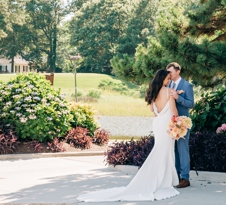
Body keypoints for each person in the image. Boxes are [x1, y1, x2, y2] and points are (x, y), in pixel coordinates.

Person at [77, 69, 180, 202]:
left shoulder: (153, 93)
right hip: (168, 124)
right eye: (167, 79)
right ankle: (163, 181)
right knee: (165, 151)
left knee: (160, 150)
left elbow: (153, 111)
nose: (169, 81)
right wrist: (178, 122)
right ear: (162, 79)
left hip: (158, 123)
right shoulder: (169, 92)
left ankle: (161, 179)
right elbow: (173, 110)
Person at [166, 62, 194, 188]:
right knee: (174, 149)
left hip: (182, 122)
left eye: (171, 72)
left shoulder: (187, 85)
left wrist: (178, 97)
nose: (169, 74)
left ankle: (185, 178)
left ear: (178, 71)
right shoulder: (168, 84)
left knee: (183, 149)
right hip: (171, 121)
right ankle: (176, 175)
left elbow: (191, 104)